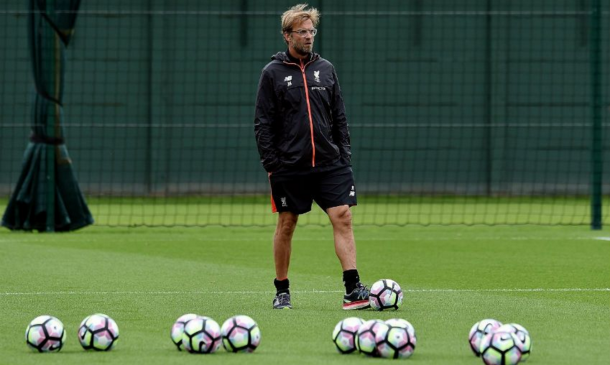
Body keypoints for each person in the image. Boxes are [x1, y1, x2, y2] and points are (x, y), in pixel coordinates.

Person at [254, 4, 369, 310]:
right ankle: (282, 290)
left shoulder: (326, 69)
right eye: (302, 32)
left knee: (342, 216)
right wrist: (272, 164)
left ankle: (352, 289)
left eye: (311, 31)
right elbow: (263, 123)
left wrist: (344, 154)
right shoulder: (272, 74)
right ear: (287, 36)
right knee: (287, 224)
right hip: (289, 167)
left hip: (331, 164)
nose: (308, 37)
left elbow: (339, 117)